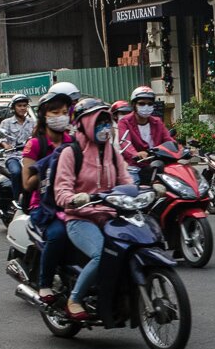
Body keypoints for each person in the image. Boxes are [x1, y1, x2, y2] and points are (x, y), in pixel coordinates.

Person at [54, 99, 133, 321]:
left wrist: (144, 191)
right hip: (80, 219)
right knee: (102, 255)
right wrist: (75, 199)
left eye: (107, 122)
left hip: (109, 215)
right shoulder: (71, 153)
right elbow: (61, 192)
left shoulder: (112, 152)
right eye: (99, 122)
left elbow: (125, 181)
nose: (105, 128)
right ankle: (75, 299)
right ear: (85, 124)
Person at [23, 88, 76, 302]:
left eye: (64, 112)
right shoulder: (35, 144)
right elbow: (27, 184)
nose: (60, 116)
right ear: (45, 115)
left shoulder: (72, 142)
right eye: (55, 112)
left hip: (72, 202)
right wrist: (50, 165)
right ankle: (44, 284)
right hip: (44, 207)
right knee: (58, 234)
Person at [118, 85, 173, 183]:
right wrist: (136, 154)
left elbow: (168, 140)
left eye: (149, 104)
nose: (146, 107)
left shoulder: (157, 122)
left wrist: (181, 150)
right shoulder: (124, 122)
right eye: (142, 103)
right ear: (134, 105)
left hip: (157, 164)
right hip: (135, 167)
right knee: (135, 190)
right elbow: (125, 143)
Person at [0, 94, 34, 201]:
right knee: (17, 172)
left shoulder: (32, 122)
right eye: (19, 105)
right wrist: (6, 145)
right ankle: (16, 200)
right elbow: (1, 139)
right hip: (13, 156)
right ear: (13, 108)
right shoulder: (6, 123)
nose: (22, 108)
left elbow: (38, 136)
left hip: (29, 156)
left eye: (24, 105)